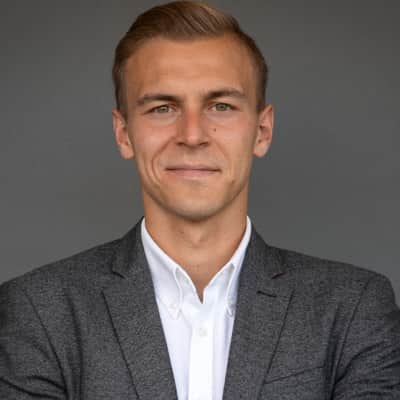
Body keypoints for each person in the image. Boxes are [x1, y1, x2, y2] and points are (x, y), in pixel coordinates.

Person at [1, 1, 399, 399]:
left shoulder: (353, 309)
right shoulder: (39, 312)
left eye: (221, 106)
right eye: (162, 108)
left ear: (262, 130)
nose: (192, 135)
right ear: (124, 134)